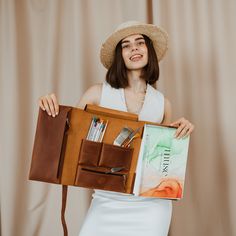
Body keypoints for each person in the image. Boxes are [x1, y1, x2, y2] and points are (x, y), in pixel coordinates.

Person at [39, 21, 194, 236]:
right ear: (120, 56)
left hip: (151, 206)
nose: (134, 49)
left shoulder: (163, 103)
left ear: (149, 50)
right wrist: (52, 111)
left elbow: (161, 165)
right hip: (106, 200)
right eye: (126, 45)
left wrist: (181, 132)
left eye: (140, 43)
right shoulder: (96, 94)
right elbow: (66, 140)